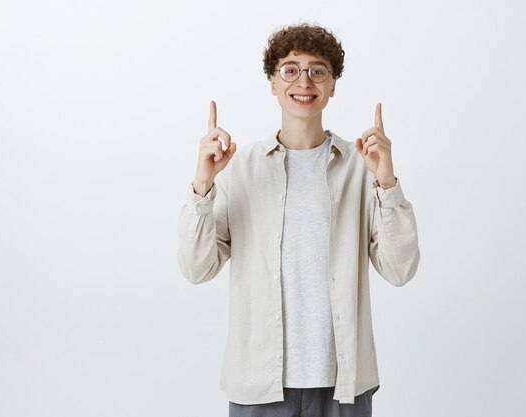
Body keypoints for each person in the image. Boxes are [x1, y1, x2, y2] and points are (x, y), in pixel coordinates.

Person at [176, 23, 421, 417]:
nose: (303, 81)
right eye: (290, 69)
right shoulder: (240, 169)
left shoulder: (362, 168)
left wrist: (387, 182)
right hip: (259, 383)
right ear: (272, 82)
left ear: (333, 85)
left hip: (343, 384)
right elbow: (196, 268)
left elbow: (400, 268)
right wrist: (203, 183)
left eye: (317, 70)